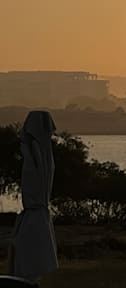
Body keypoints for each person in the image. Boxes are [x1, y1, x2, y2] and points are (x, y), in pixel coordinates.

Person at [9, 112, 58, 284]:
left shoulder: (37, 153)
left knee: (26, 267)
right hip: (34, 216)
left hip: (33, 217)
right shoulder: (43, 155)